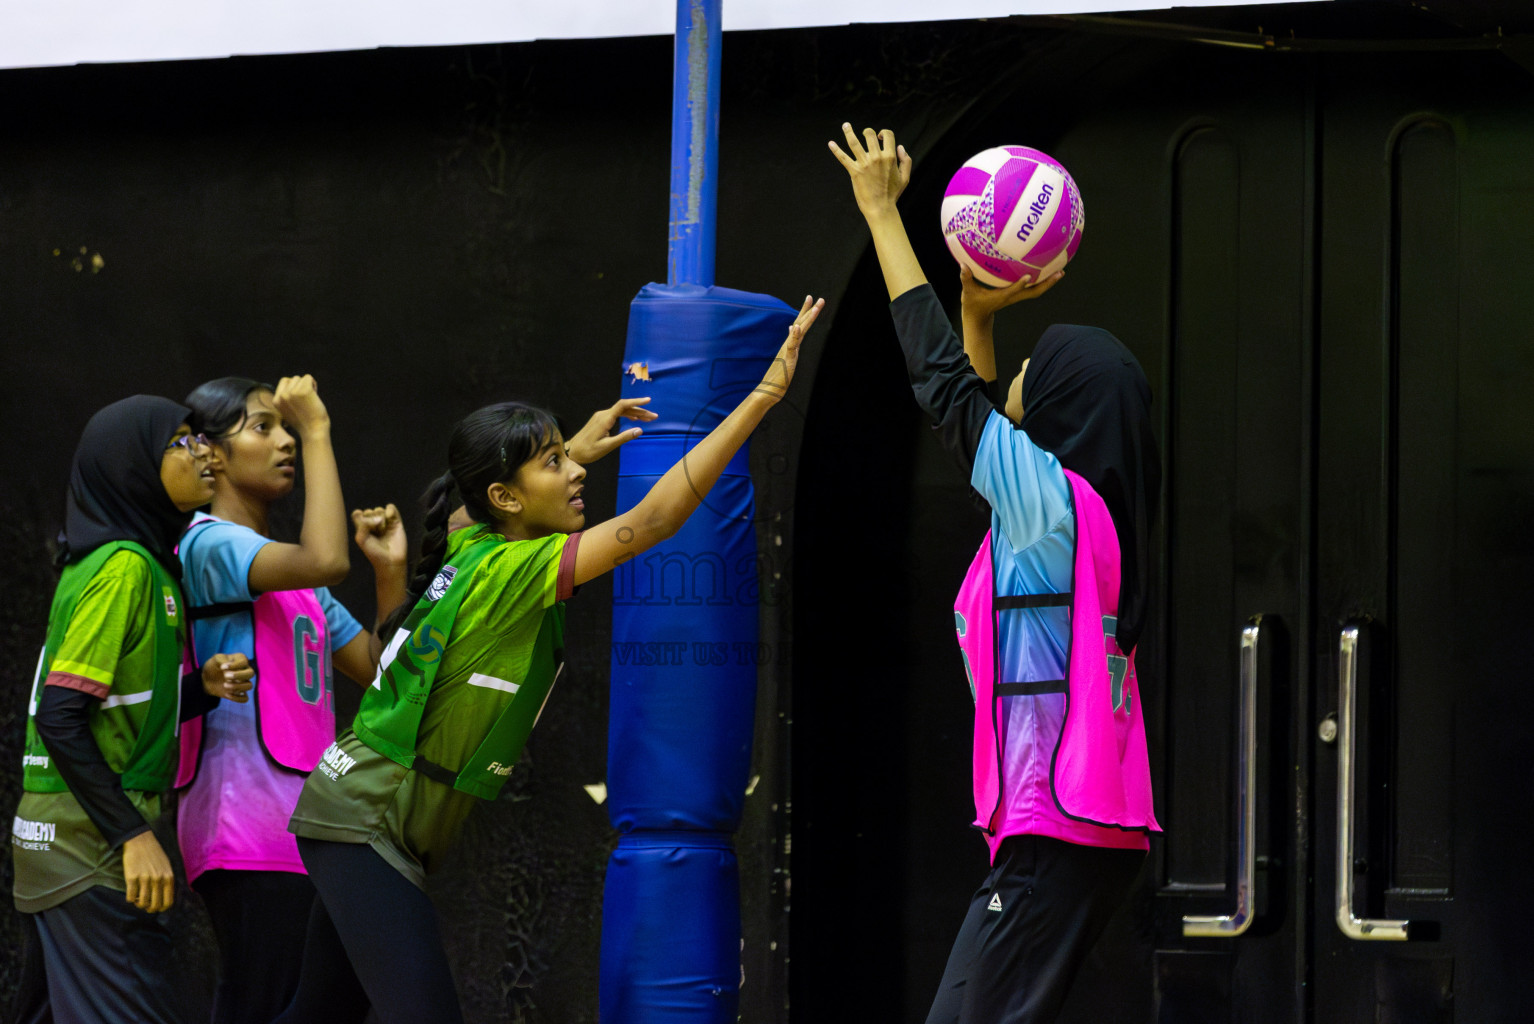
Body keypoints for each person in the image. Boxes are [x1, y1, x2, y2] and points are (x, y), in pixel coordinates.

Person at [271, 294, 821, 1024]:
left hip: (355, 811)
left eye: (566, 456)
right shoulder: (511, 570)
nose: (574, 473)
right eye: (552, 463)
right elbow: (654, 520)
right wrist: (760, 399)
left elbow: (473, 502)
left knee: (317, 1015)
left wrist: (577, 449)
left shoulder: (473, 539)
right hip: (367, 821)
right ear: (504, 495)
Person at [830, 124, 1161, 1023]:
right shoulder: (1071, 519)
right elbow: (972, 416)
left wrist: (882, 216)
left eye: (1025, 371)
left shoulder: (1052, 507)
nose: (1008, 383)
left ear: (1057, 405)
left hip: (1056, 830)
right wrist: (977, 312)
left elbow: (945, 394)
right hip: (1078, 828)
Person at [173, 374, 410, 1024]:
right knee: (263, 1001)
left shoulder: (288, 573)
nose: (282, 442)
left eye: (286, 428)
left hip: (308, 828)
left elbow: (380, 670)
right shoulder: (206, 544)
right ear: (210, 454)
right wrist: (316, 429)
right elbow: (326, 560)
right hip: (243, 825)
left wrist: (388, 575)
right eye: (262, 426)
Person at [11, 396, 255, 1024]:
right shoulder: (123, 568)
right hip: (87, 847)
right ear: (133, 467)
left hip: (58, 838)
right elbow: (60, 716)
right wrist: (133, 835)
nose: (204, 452)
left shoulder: (136, 564)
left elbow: (111, 713)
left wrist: (197, 689)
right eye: (179, 441)